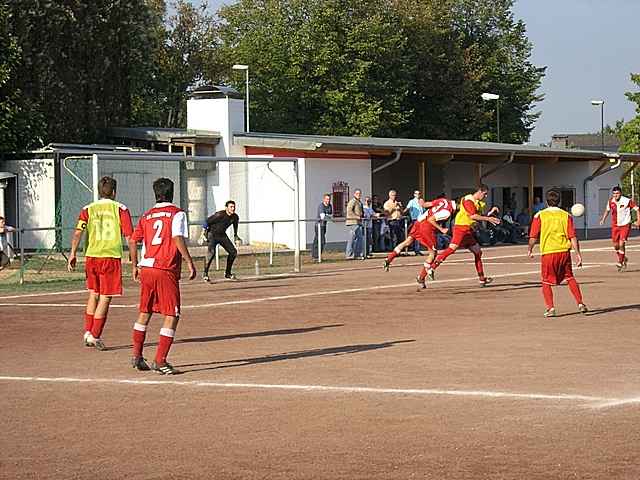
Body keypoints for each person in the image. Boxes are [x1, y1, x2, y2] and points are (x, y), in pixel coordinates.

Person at [128, 178, 196, 374]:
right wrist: (189, 261)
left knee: (145, 311)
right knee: (172, 314)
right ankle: (160, 360)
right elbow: (177, 237)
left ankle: (137, 355)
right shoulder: (177, 213)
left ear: (155, 193)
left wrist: (134, 265)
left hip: (146, 268)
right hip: (164, 268)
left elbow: (133, 241)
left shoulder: (146, 215)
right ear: (172, 193)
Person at [67, 176, 134, 350]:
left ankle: (88, 332)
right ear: (114, 192)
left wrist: (72, 253)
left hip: (91, 257)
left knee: (93, 294)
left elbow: (77, 232)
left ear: (99, 191)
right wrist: (134, 260)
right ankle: (95, 335)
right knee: (105, 297)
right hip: (110, 257)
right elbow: (130, 237)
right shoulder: (121, 209)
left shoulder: (87, 209)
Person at [528, 189, 588, 317]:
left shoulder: (539, 215)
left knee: (545, 281)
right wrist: (578, 254)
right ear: (559, 201)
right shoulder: (566, 215)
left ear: (546, 201)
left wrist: (530, 249)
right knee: (570, 277)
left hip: (549, 253)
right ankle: (580, 303)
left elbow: (533, 236)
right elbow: (572, 237)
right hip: (564, 252)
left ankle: (551, 308)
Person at [429, 184, 500, 286]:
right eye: (484, 194)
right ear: (479, 191)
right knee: (452, 248)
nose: (485, 197)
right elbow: (473, 216)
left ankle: (482, 279)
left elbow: (480, 216)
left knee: (478, 252)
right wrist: (488, 219)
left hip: (468, 230)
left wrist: (491, 213)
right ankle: (432, 268)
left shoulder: (478, 203)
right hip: (461, 228)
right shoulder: (468, 200)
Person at [384, 196, 456, 289]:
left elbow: (425, 204)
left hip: (418, 221)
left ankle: (389, 258)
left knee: (408, 241)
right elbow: (431, 219)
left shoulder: (443, 200)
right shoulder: (447, 212)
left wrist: (421, 202)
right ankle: (421, 277)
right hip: (426, 225)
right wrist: (442, 229)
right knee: (433, 252)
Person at [599, 185, 640, 271]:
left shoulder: (627, 201)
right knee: (616, 246)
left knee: (621, 244)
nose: (615, 195)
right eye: (614, 193)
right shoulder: (611, 201)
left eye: (617, 193)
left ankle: (620, 262)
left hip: (625, 225)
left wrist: (638, 221)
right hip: (615, 226)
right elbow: (607, 210)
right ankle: (624, 258)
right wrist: (603, 219)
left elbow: (637, 209)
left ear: (620, 193)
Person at [202, 201, 241, 281]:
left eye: (234, 207)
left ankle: (228, 273)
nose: (233, 209)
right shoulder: (219, 214)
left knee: (233, 252)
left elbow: (235, 228)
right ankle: (205, 273)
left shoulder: (235, 217)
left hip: (222, 235)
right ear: (226, 208)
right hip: (212, 234)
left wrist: (236, 236)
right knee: (211, 253)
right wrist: (203, 233)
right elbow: (207, 221)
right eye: (231, 207)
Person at [312, 194, 332, 259]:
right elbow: (322, 217)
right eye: (327, 199)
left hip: (324, 225)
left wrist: (327, 216)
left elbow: (331, 216)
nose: (328, 201)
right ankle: (317, 256)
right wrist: (327, 216)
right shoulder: (321, 206)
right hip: (318, 225)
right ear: (324, 199)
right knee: (321, 241)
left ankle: (316, 256)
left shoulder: (330, 206)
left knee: (317, 240)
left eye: (329, 199)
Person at [345, 189, 364, 259]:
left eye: (359, 194)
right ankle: (349, 255)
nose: (358, 195)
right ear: (354, 194)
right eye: (357, 193)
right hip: (352, 223)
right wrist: (357, 216)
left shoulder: (359, 202)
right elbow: (349, 211)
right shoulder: (352, 201)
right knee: (352, 239)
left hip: (358, 223)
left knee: (359, 238)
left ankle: (357, 254)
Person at [405, 190, 425, 255]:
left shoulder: (421, 201)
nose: (418, 195)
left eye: (419, 193)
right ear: (414, 194)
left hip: (421, 219)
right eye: (416, 194)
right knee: (414, 234)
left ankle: (417, 249)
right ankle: (414, 249)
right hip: (415, 220)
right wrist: (402, 212)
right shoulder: (412, 201)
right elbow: (407, 208)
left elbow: (424, 210)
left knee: (419, 234)